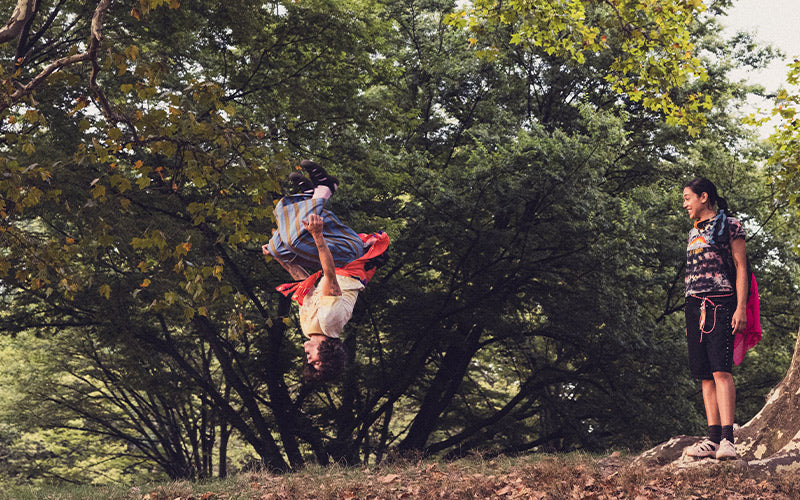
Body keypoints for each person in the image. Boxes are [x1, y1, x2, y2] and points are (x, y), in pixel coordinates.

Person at [262, 160, 389, 384]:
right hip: (352, 256)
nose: (308, 359)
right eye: (315, 362)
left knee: (279, 246)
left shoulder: (307, 328)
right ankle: (325, 189)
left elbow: (304, 282)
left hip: (334, 257)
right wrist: (317, 234)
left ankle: (311, 196)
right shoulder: (331, 323)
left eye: (308, 364)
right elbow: (329, 274)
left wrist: (279, 259)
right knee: (293, 241)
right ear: (327, 353)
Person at [681, 177, 747, 460]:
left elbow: (742, 268)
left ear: (703, 197)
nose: (685, 204)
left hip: (721, 303)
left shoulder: (731, 226)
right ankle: (711, 439)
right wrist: (689, 313)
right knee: (704, 375)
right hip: (694, 307)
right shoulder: (693, 231)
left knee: (721, 371)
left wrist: (740, 307)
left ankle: (727, 440)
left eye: (687, 198)